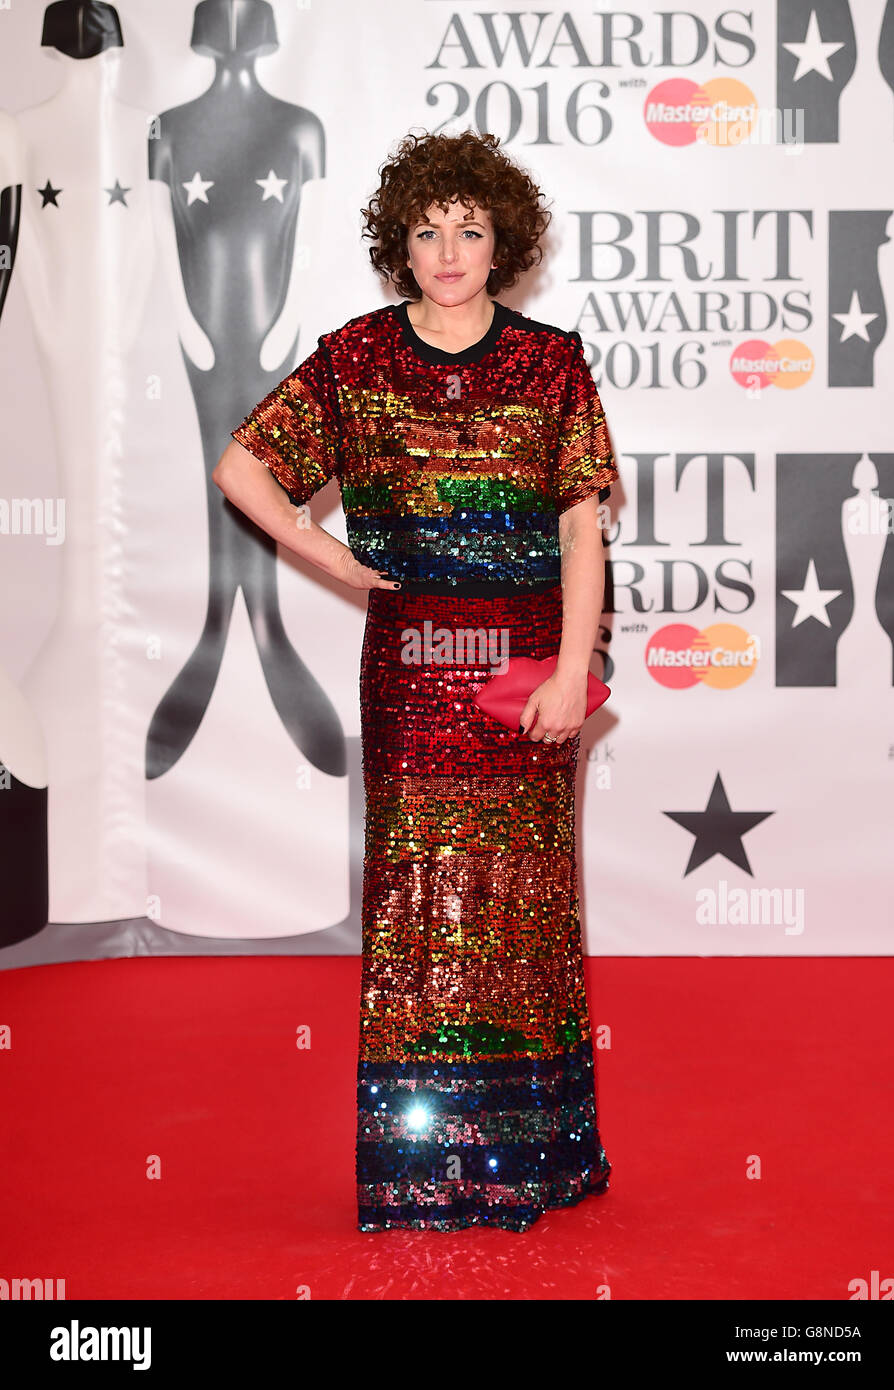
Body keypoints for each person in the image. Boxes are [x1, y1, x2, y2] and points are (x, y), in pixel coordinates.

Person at [213, 129, 619, 1233]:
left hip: (527, 671)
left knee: (523, 913)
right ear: (400, 241)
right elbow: (240, 466)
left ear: (503, 242)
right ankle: (420, 1165)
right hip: (411, 673)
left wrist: (573, 669)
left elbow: (582, 532)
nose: (448, 250)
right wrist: (333, 556)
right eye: (427, 230)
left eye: (470, 229)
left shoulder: (549, 362)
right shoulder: (353, 358)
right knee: (417, 914)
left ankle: (532, 1161)